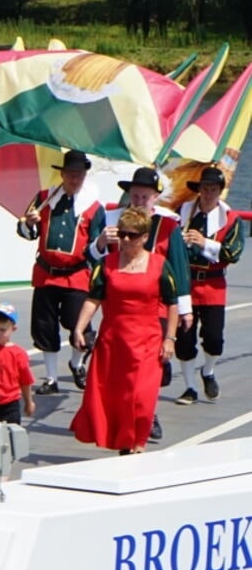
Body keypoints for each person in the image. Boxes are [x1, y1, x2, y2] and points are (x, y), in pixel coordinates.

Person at [92, 166, 194, 441]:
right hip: (120, 306)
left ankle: (149, 415)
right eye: (135, 196)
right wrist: (101, 242)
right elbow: (92, 258)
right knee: (124, 367)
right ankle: (123, 414)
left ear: (155, 198)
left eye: (145, 197)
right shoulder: (112, 219)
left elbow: (178, 267)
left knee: (148, 369)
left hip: (156, 304)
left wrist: (185, 308)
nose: (139, 201)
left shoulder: (168, 224)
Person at [71, 207, 180, 455]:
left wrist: (170, 339)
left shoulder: (160, 265)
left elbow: (172, 303)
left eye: (132, 235)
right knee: (117, 398)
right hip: (113, 341)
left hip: (147, 340)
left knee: (141, 397)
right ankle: (126, 444)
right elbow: (93, 299)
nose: (126, 240)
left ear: (144, 236)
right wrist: (79, 328)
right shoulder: (106, 264)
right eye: (122, 234)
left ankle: (138, 441)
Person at [16, 149, 106, 395]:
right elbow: (26, 231)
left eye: (79, 175)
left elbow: (98, 245)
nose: (74, 179)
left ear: (84, 176)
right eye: (70, 174)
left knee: (77, 323)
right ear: (63, 174)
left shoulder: (93, 208)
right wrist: (29, 224)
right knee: (44, 327)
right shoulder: (45, 198)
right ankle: (52, 378)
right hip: (46, 274)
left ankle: (76, 364)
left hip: (76, 275)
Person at [173, 165, 245, 403]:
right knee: (184, 337)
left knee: (214, 338)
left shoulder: (230, 219)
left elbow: (233, 253)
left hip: (213, 286)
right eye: (205, 189)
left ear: (220, 191)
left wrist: (204, 243)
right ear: (199, 190)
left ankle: (208, 370)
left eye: (213, 189)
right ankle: (190, 387)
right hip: (186, 284)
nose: (209, 193)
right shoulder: (182, 212)